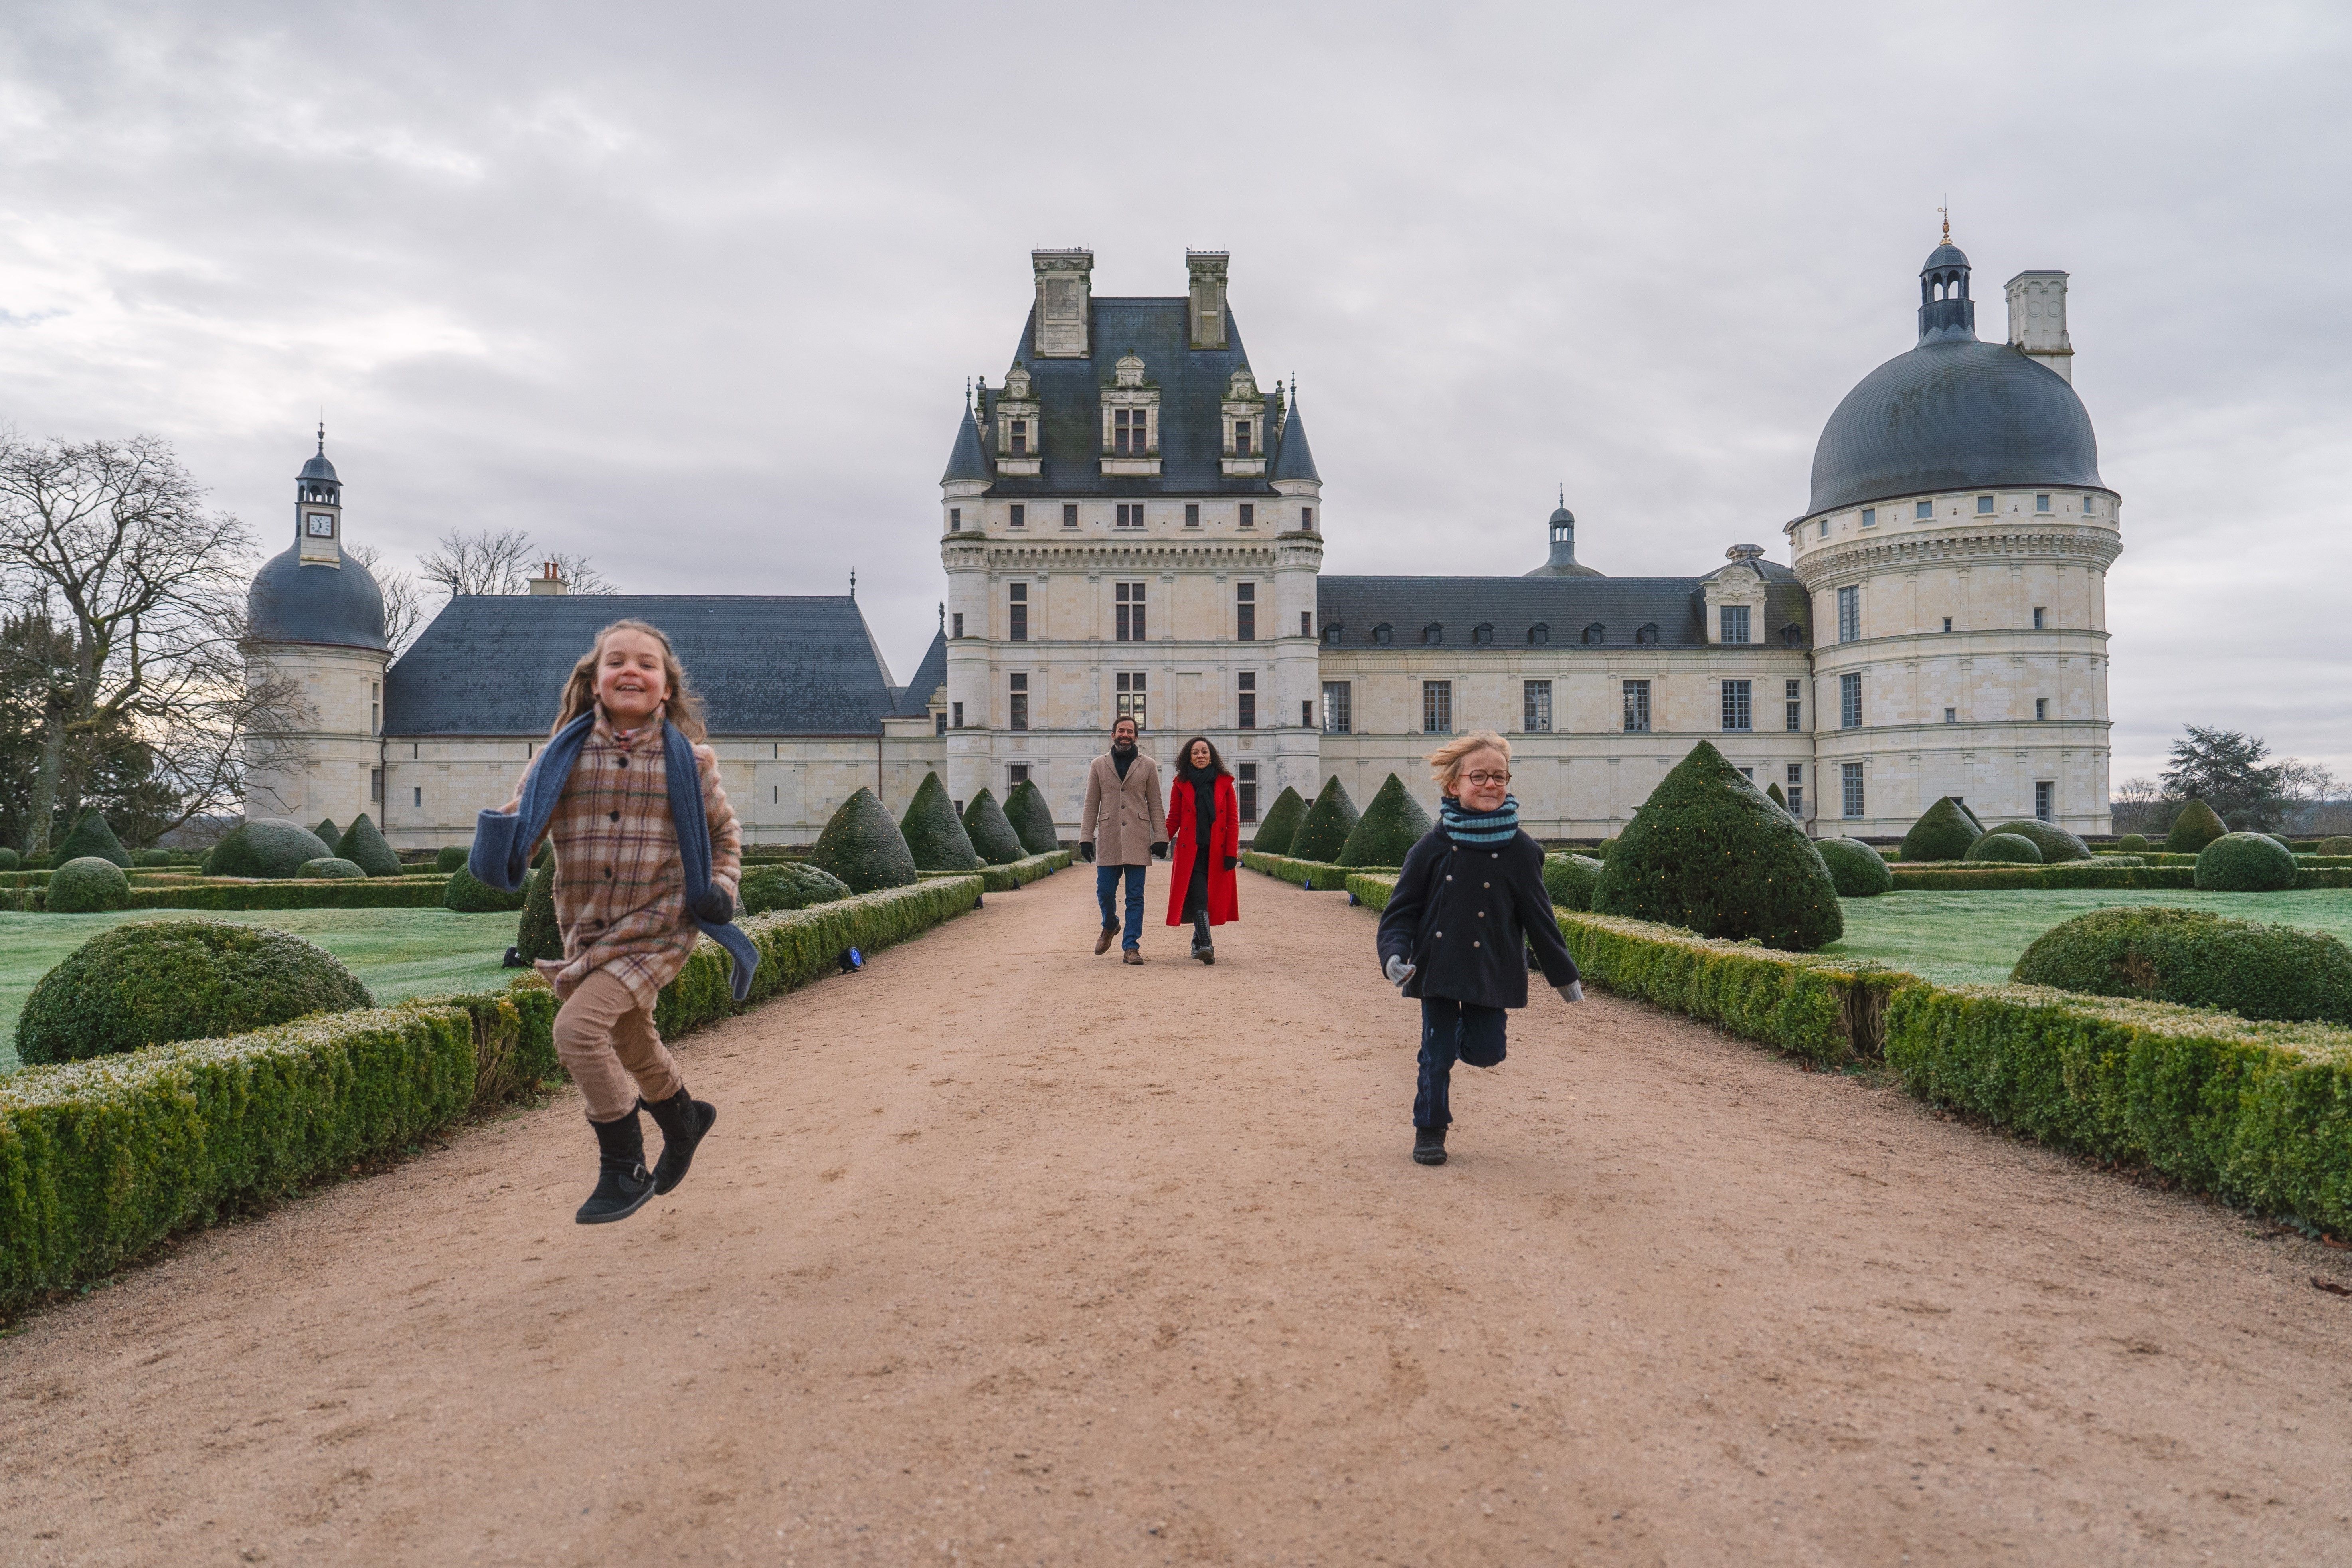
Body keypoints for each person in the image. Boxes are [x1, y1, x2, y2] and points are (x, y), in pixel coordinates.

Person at [470, 618, 753, 1224]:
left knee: (577, 1032)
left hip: (659, 927)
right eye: (617, 661)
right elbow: (522, 828)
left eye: (647, 664)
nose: (632, 670)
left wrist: (721, 890)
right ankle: (683, 1118)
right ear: (594, 683)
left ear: (667, 689)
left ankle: (622, 1166)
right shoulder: (559, 759)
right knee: (629, 1038)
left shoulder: (692, 762)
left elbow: (724, 837)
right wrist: (497, 837)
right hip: (592, 930)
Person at [1374, 730, 1581, 1167]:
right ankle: (1429, 1130)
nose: (1491, 785)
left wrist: (1564, 976)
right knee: (1435, 1054)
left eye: (1499, 777)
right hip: (1438, 967)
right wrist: (1394, 956)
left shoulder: (1522, 850)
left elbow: (1539, 918)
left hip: (1492, 968)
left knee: (1488, 1053)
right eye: (1479, 777)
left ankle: (1465, 1041)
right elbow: (1401, 912)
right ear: (1454, 785)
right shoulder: (1430, 846)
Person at [1078, 715, 1166, 964]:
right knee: (1105, 891)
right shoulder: (1098, 765)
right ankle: (1110, 924)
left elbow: (1156, 804)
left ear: (1136, 737)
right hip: (1109, 837)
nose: (1125, 735)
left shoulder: (1148, 765)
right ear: (1113, 735)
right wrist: (1086, 837)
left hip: (1138, 836)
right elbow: (1091, 804)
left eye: (1130, 731)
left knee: (1135, 896)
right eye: (1121, 731)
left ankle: (1131, 947)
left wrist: (1160, 837)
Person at [1164, 735, 1242, 963]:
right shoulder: (1181, 783)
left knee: (1210, 899)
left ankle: (1197, 943)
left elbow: (1233, 821)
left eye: (1204, 752)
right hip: (1192, 852)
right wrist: (1159, 840)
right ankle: (1207, 945)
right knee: (1199, 897)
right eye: (1196, 753)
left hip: (1217, 853)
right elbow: (1174, 819)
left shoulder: (1225, 783)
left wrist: (1231, 853)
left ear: (1211, 757)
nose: (1201, 756)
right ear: (1189, 758)